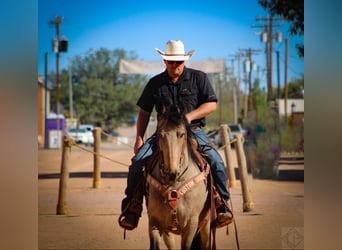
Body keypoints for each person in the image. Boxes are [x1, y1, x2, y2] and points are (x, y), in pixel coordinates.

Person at [119, 40, 232, 230]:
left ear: (184, 60)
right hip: (163, 134)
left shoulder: (199, 78)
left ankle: (222, 204)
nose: (175, 65)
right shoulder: (155, 83)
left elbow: (211, 104)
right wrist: (139, 137)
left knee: (216, 161)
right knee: (138, 162)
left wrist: (189, 117)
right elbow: (144, 112)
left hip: (193, 132)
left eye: (178, 61)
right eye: (171, 62)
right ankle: (132, 206)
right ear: (164, 61)